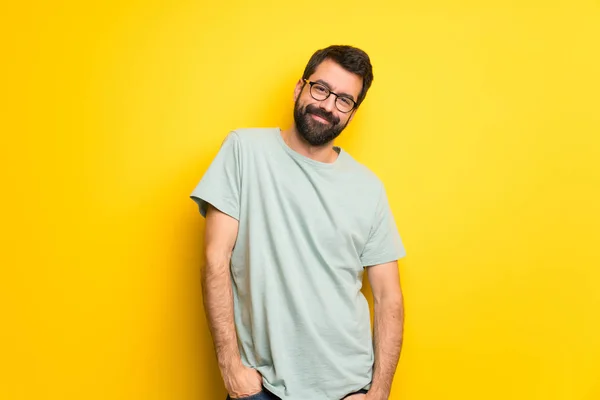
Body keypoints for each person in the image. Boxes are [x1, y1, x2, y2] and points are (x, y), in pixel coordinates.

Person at [190, 45, 406, 400]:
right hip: (262, 388)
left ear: (352, 112)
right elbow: (215, 260)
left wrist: (378, 392)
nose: (328, 105)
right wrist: (230, 368)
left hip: (348, 387)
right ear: (299, 88)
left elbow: (388, 297)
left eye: (344, 100)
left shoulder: (369, 188)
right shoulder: (244, 150)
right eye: (321, 89)